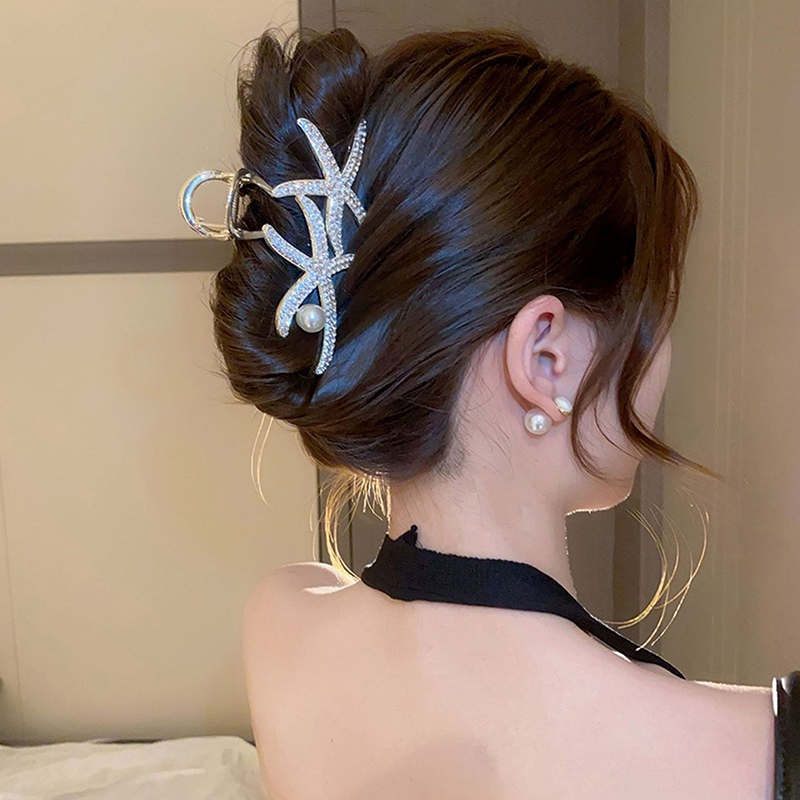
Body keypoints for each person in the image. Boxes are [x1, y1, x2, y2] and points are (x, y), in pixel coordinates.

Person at [184, 25, 799, 799]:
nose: (663, 354)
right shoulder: (752, 750)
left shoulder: (281, 619)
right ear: (545, 357)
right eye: (653, 314)